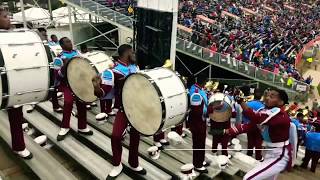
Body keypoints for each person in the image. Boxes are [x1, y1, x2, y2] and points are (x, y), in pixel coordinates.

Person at [92, 44, 146, 178]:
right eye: (132, 52)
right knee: (116, 136)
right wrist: (96, 86)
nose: (134, 54)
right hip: (123, 108)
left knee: (135, 137)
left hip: (137, 108)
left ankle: (134, 163)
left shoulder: (135, 68)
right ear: (127, 53)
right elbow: (101, 93)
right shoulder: (113, 71)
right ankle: (117, 164)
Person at [224, 88, 294, 180]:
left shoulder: (279, 114)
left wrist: (241, 101)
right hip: (271, 152)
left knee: (248, 178)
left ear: (281, 102)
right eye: (267, 95)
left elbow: (255, 117)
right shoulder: (267, 112)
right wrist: (226, 131)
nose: (267, 98)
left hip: (280, 155)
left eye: (272, 96)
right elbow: (250, 126)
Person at [0, 7, 32, 159]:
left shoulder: (12, 36)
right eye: (5, 16)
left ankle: (19, 146)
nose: (9, 19)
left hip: (11, 82)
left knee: (16, 114)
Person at [55, 37, 93, 141]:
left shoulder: (77, 53)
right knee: (68, 103)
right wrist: (65, 66)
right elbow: (57, 76)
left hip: (80, 83)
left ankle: (82, 127)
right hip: (68, 85)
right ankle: (64, 127)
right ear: (62, 45)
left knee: (82, 104)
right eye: (67, 42)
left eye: (70, 41)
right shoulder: (59, 58)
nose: (70, 43)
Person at [188, 77, 212, 173]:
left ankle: (200, 161)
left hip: (199, 122)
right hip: (197, 123)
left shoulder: (197, 89)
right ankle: (197, 165)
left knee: (201, 143)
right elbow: (197, 112)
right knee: (199, 143)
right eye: (205, 83)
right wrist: (212, 109)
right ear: (203, 82)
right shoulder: (196, 92)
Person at [242, 89, 264, 161]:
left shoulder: (248, 103)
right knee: (258, 141)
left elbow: (244, 114)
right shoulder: (263, 106)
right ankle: (258, 157)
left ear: (253, 94)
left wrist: (246, 122)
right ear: (261, 96)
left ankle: (249, 152)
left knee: (250, 139)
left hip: (249, 124)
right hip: (259, 126)